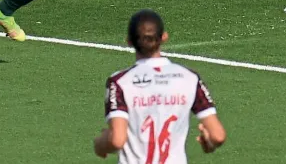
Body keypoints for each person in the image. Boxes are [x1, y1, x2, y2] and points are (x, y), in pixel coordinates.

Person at [93, 10, 226, 162]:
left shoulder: (119, 82)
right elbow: (218, 135)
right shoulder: (189, 78)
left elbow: (117, 140)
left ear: (129, 41)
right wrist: (209, 141)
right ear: (164, 37)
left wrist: (100, 143)